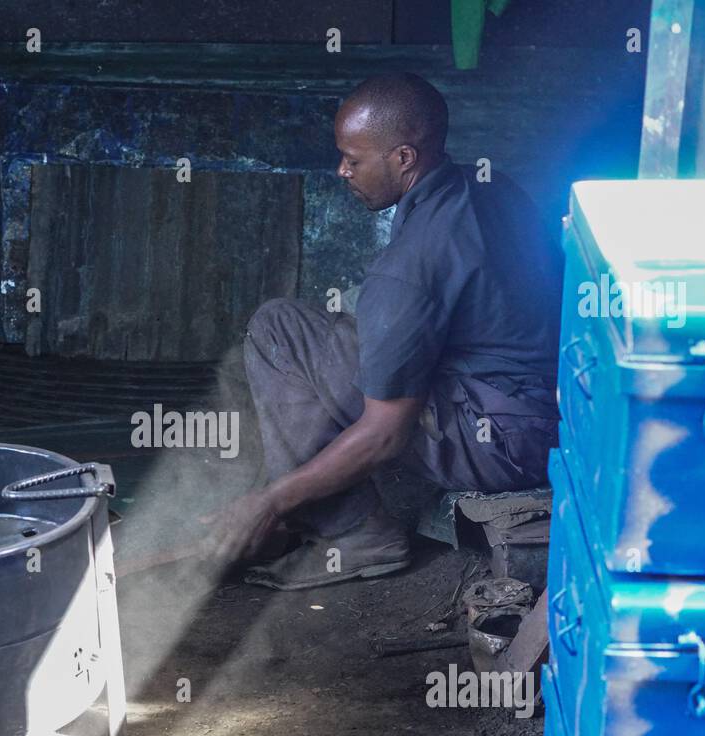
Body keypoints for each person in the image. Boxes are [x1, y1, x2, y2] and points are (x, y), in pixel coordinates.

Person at [206, 72, 561, 590]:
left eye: (354, 158)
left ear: (404, 158)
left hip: (502, 443)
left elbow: (385, 435)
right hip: (550, 414)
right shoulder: (492, 186)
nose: (341, 170)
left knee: (278, 333)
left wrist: (269, 501)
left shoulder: (407, 269)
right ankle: (314, 508)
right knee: (312, 331)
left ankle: (355, 537)